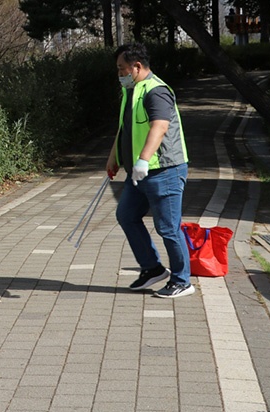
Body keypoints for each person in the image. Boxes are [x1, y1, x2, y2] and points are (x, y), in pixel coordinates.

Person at [105, 42, 194, 298]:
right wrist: (113, 157)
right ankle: (152, 268)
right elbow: (125, 127)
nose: (119, 74)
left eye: (122, 69)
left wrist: (143, 160)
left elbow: (160, 127)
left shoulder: (156, 91)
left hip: (163, 170)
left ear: (137, 66)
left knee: (168, 227)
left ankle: (182, 280)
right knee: (127, 216)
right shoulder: (132, 90)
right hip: (138, 173)